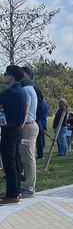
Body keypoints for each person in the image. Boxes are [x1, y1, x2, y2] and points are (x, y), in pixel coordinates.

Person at [0, 65, 28, 203]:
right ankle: (17, 192)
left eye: (6, 74)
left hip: (9, 130)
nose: (4, 76)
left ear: (12, 76)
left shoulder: (10, 92)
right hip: (18, 129)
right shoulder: (22, 91)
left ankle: (12, 195)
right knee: (16, 161)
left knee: (9, 162)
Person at [18, 66, 39, 198]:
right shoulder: (30, 88)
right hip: (30, 126)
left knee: (28, 158)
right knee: (26, 156)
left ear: (26, 75)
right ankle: (28, 186)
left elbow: (24, 111)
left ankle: (30, 188)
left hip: (28, 126)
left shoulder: (26, 90)